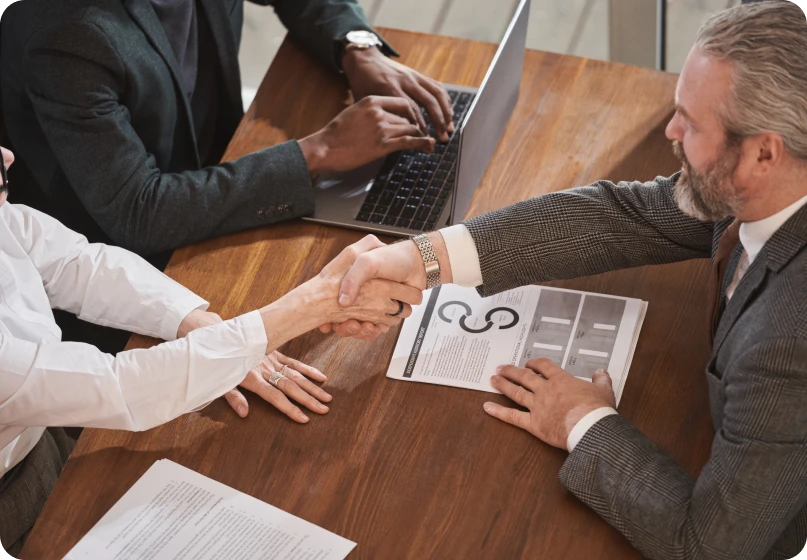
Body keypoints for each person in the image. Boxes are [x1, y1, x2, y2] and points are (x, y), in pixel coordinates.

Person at [327, 2, 807, 557]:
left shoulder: (788, 343)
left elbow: (706, 546)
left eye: (692, 124)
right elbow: (625, 216)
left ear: (763, 153)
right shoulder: (770, 183)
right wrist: (422, 259)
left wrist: (581, 418)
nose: (670, 131)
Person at [0, 145, 422, 556]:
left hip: (41, 441)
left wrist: (196, 322)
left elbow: (76, 264)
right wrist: (305, 307)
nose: (7, 155)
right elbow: (119, 387)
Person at [0, 0, 453, 258]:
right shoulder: (68, 35)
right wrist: (321, 151)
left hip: (222, 162)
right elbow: (140, 214)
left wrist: (356, 47)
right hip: (116, 257)